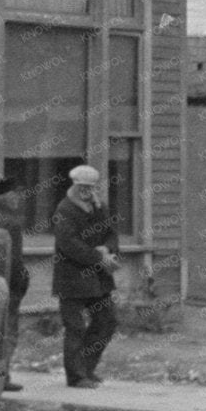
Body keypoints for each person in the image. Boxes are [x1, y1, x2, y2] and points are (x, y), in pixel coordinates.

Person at [51, 163, 119, 389]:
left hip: (97, 281)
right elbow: (69, 245)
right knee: (76, 328)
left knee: (107, 322)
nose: (87, 191)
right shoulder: (64, 210)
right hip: (71, 280)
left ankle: (87, 369)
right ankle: (76, 377)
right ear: (74, 185)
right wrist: (98, 257)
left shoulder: (99, 208)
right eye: (82, 186)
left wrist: (108, 250)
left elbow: (111, 234)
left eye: (90, 187)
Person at [0, 177, 31, 391]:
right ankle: (2, 376)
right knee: (7, 331)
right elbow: (14, 259)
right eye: (15, 193)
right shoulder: (10, 221)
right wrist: (20, 282)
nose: (18, 198)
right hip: (7, 284)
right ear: (6, 195)